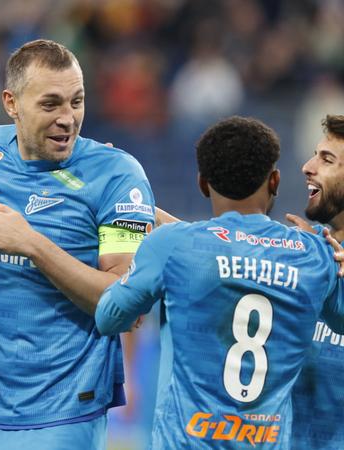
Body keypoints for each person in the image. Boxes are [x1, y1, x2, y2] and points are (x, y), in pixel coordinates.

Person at [0, 39, 155, 449]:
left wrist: (33, 245)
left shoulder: (117, 175)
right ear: (11, 103)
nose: (68, 118)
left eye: (77, 102)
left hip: (66, 411)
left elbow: (124, 304)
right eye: (51, 105)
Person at [95, 116, 344, 449]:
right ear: (274, 181)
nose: (307, 167)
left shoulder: (310, 254)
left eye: (326, 159)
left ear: (202, 183)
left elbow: (111, 314)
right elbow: (223, 250)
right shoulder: (312, 254)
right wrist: (133, 202)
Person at [288, 114, 344, 449]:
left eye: (327, 159)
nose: (307, 167)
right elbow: (208, 247)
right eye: (314, 155)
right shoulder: (304, 251)